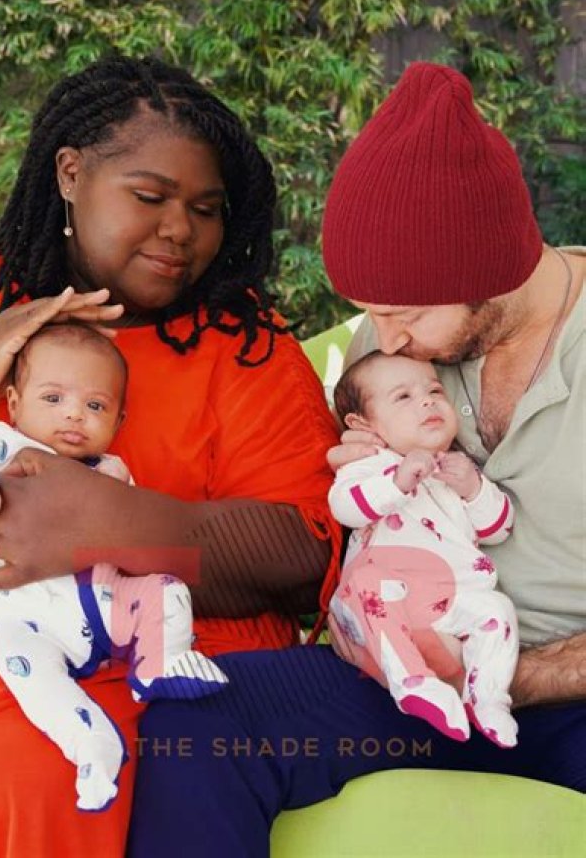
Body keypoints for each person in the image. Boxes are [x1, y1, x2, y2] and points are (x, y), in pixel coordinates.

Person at [0, 56, 341, 856]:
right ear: (71, 172)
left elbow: (302, 553)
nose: (180, 230)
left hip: (109, 665)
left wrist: (109, 525)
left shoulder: (246, 352)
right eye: (150, 197)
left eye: (207, 209)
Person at [127, 62, 585, 858]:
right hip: (401, 677)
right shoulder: (387, 348)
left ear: (490, 266)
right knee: (194, 720)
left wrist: (514, 675)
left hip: (559, 688)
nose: (385, 337)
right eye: (371, 312)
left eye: (402, 312)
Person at [0, 322, 229, 812]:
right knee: (34, 685)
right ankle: (92, 749)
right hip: (24, 624)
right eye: (53, 398)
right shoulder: (3, 445)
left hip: (102, 609)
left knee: (167, 590)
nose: (73, 416)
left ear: (118, 422)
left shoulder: (112, 472)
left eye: (95, 406)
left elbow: (134, 545)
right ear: (16, 404)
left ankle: (160, 662)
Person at [329, 351, 518, 747]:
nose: (428, 400)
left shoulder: (455, 468)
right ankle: (414, 684)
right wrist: (396, 483)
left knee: (496, 610)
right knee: (369, 581)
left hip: (448, 603)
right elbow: (345, 506)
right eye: (404, 397)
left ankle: (487, 699)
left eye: (434, 390)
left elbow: (499, 528)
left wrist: (475, 489)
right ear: (364, 425)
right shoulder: (370, 465)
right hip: (382, 605)